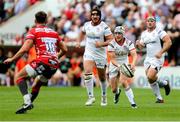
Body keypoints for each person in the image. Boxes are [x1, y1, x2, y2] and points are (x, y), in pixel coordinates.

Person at [4, 11, 67, 114]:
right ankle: (27, 105)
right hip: (54, 64)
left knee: (19, 77)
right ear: (46, 21)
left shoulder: (33, 31)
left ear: (35, 20)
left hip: (43, 61)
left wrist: (12, 58)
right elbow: (65, 49)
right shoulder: (54, 33)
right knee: (36, 85)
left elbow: (25, 49)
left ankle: (27, 102)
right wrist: (55, 57)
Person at [76, 6, 114, 106]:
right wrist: (79, 41)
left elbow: (111, 39)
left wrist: (101, 44)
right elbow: (82, 32)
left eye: (97, 14)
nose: (95, 16)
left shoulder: (104, 26)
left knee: (102, 77)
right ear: (91, 16)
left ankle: (104, 97)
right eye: (93, 14)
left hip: (100, 54)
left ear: (100, 16)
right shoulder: (86, 25)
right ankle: (91, 97)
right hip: (89, 53)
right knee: (87, 73)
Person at [136, 16, 172, 103]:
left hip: (158, 58)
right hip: (148, 58)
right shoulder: (144, 33)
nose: (150, 22)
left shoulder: (159, 31)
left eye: (152, 21)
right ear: (146, 23)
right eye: (148, 21)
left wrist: (161, 52)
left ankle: (164, 85)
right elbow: (141, 47)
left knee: (150, 76)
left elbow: (169, 42)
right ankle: (160, 95)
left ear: (155, 23)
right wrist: (138, 44)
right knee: (150, 79)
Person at [108, 26, 137, 108]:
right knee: (113, 89)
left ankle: (133, 103)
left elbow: (134, 54)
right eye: (116, 33)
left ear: (123, 34)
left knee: (123, 81)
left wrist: (133, 63)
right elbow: (112, 59)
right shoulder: (111, 44)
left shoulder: (129, 42)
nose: (117, 35)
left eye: (119, 33)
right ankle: (117, 92)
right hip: (114, 64)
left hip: (124, 63)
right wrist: (118, 66)